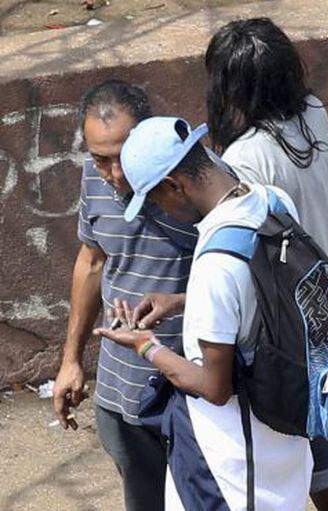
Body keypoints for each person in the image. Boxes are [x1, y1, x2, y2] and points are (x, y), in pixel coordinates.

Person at [94, 115, 314, 511]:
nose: (162, 210)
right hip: (286, 441)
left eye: (156, 200)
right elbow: (259, 297)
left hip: (231, 470)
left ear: (173, 185)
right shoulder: (272, 202)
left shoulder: (215, 263)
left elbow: (215, 387)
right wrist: (180, 300)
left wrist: (146, 347)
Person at [205, 17, 328, 511]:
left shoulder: (247, 157)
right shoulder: (314, 113)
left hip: (284, 326)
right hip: (325, 302)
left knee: (306, 454)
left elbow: (249, 254)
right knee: (313, 450)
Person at [52, 80, 197, 511]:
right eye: (101, 159)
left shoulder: (190, 183)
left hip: (193, 387)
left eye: (123, 157)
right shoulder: (94, 182)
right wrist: (71, 361)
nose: (115, 175)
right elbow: (92, 262)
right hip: (122, 393)